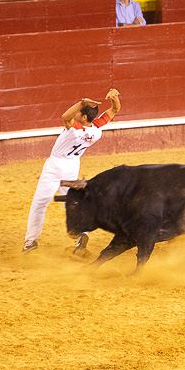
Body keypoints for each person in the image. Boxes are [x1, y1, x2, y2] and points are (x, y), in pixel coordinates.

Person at [23, 89, 121, 253]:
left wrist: (82, 103)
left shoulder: (75, 130)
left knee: (39, 203)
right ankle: (80, 234)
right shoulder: (96, 130)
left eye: (79, 113)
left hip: (55, 166)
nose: (76, 114)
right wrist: (114, 97)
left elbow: (65, 117)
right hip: (72, 166)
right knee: (70, 202)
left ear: (83, 117)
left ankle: (31, 241)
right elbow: (114, 110)